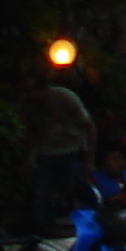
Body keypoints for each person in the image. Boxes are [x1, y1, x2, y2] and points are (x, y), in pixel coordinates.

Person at [26, 78, 94, 226]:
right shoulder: (30, 106)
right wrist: (29, 156)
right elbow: (32, 131)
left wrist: (89, 159)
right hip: (47, 151)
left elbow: (88, 126)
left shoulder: (65, 98)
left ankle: (76, 222)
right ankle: (45, 224)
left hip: (71, 148)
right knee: (43, 192)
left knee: (73, 188)